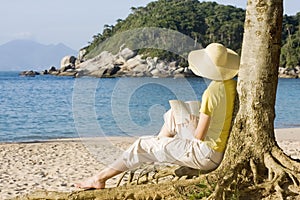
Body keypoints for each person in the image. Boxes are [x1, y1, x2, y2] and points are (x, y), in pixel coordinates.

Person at [75, 43, 240, 189]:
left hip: (205, 154)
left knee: (141, 144)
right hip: (214, 149)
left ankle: (99, 178)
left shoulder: (211, 93)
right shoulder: (231, 84)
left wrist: (193, 124)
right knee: (172, 115)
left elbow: (198, 136)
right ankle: (158, 150)